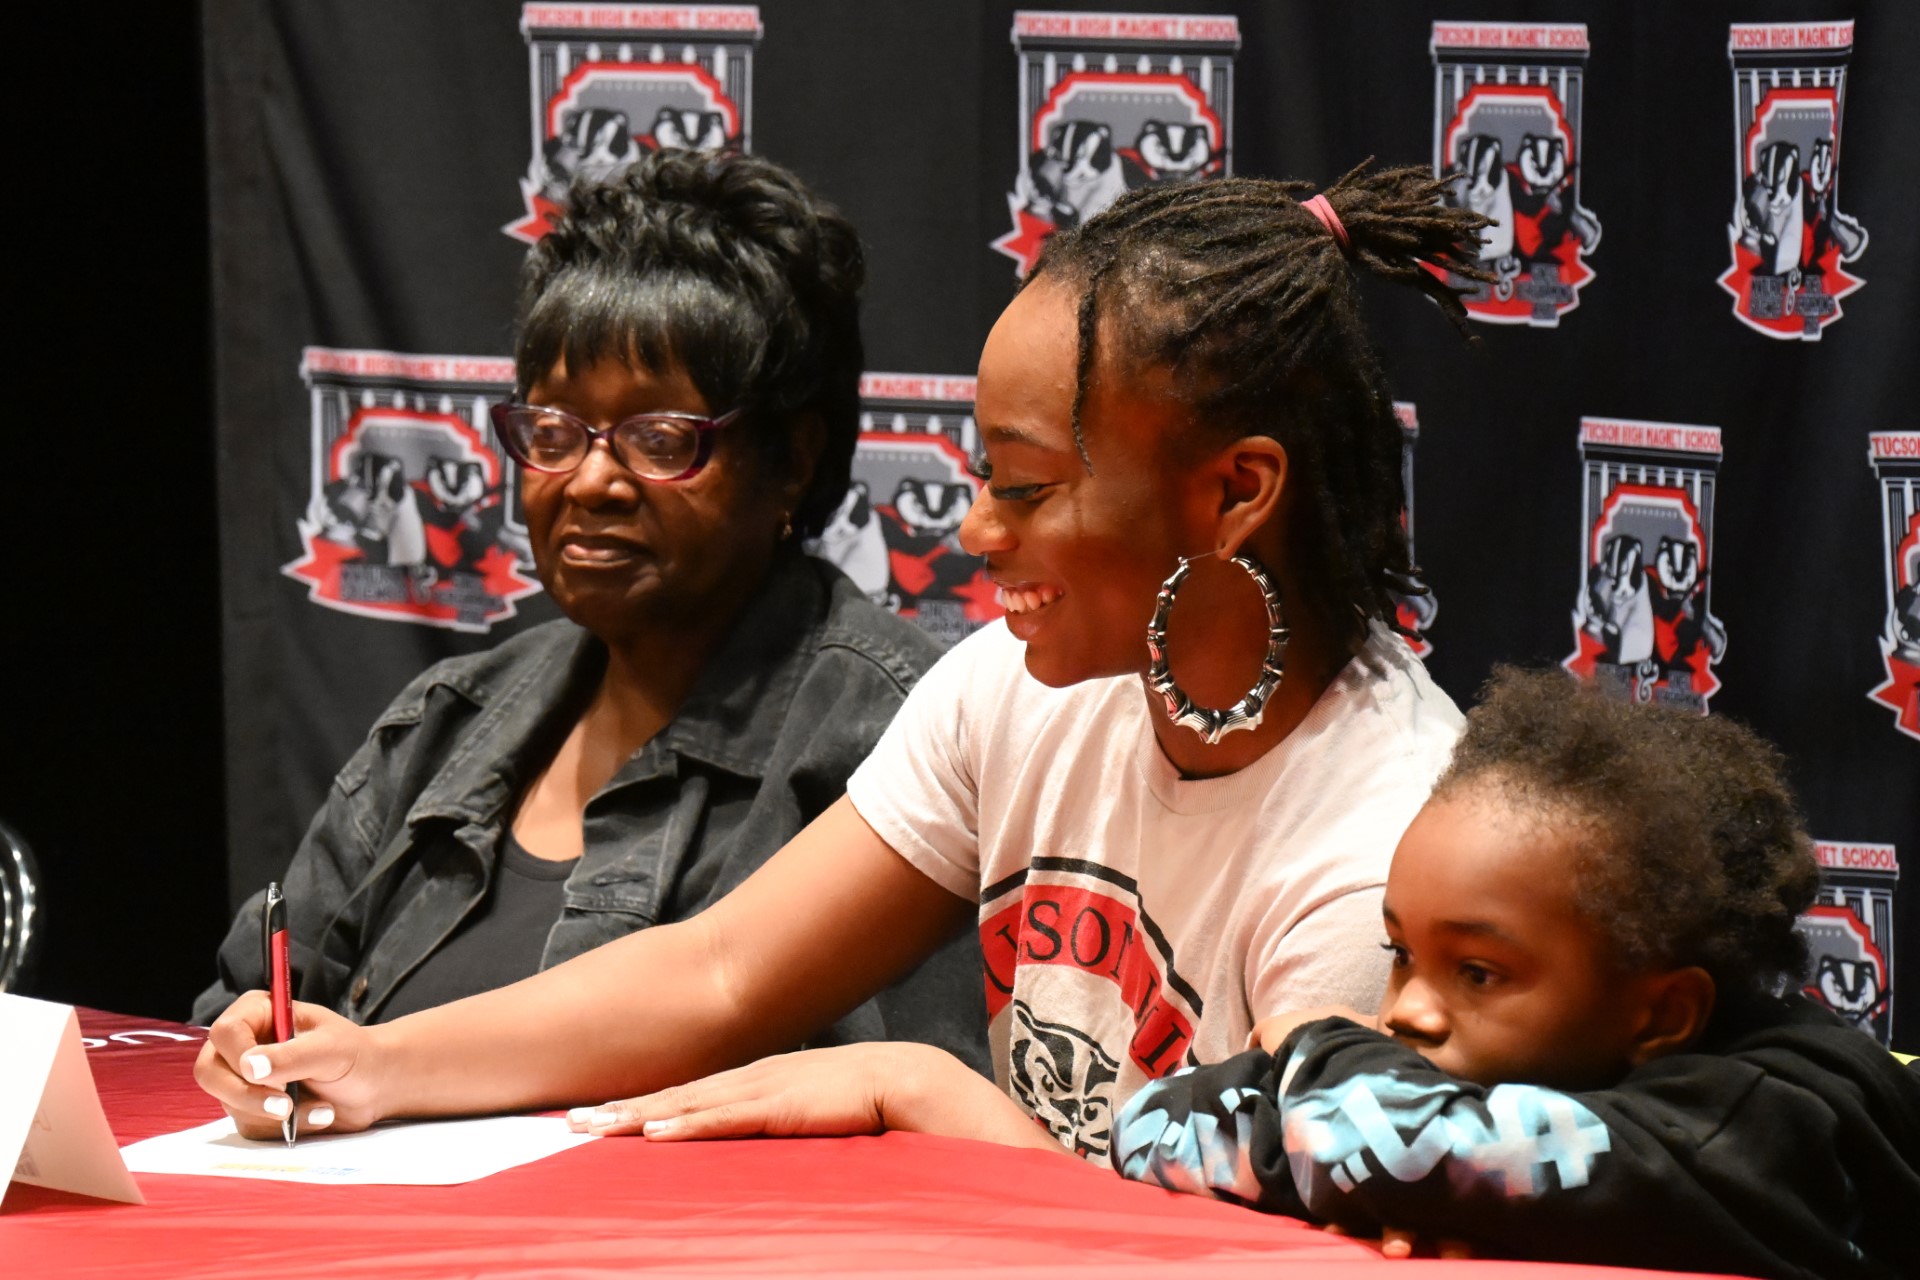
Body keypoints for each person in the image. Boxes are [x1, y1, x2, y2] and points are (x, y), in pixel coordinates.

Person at [196, 162, 1492, 1157]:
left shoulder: (1380, 851)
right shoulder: (1007, 691)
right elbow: (718, 969)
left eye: (1030, 489)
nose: (976, 531)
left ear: (1232, 494)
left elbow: (1255, 1258)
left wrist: (917, 1089)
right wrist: (371, 1068)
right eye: (986, 477)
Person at [191, 151, 987, 1075]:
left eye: (658, 439)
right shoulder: (449, 720)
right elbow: (249, 1004)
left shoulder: (889, 735)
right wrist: (245, 1052)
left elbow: (902, 1109)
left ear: (792, 459)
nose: (591, 481)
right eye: (554, 433)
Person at [1110, 668, 1920, 1279]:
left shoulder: (1772, 1121)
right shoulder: (1493, 1081)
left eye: (1478, 973)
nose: (1408, 1012)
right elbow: (1146, 1126)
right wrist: (1400, 1185)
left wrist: (1313, 1049)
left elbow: (1376, 1139)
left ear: (1662, 1015)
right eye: (1401, 956)